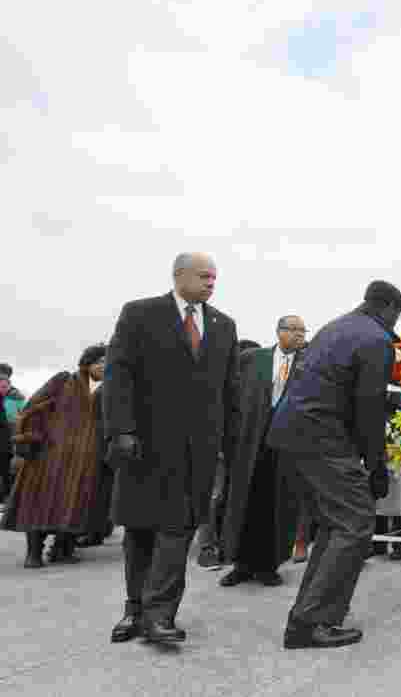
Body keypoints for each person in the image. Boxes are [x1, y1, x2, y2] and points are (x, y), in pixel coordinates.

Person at [104, 252, 240, 645]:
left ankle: (160, 614)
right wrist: (121, 429)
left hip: (197, 451)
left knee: (177, 531)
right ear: (179, 275)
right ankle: (135, 609)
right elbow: (118, 374)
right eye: (204, 276)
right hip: (143, 446)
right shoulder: (140, 314)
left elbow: (229, 390)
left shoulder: (223, 325)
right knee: (141, 531)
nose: (212, 283)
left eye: (215, 277)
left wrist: (228, 443)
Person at [266, 280, 401, 650]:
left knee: (335, 525)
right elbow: (368, 408)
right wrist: (376, 467)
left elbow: (333, 385)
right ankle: (309, 623)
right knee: (355, 524)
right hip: (322, 438)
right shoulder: (376, 339)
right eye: (397, 316)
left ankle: (315, 615)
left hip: (292, 434)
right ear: (388, 307)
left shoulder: (335, 326)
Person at [218, 317, 307, 589]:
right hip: (250, 441)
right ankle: (240, 564)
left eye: (302, 330)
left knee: (278, 503)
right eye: (293, 329)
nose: (299, 335)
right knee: (244, 501)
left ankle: (269, 565)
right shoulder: (252, 359)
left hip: (285, 445)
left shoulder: (309, 364)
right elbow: (230, 396)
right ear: (279, 331)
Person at [2, 345, 108, 568]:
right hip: (49, 455)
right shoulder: (64, 381)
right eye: (100, 361)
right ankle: (34, 554)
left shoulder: (102, 391)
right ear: (87, 362)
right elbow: (32, 407)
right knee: (39, 502)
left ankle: (62, 549)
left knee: (74, 503)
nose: (104, 366)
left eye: (107, 362)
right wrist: (31, 437)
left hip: (82, 461)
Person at [196, 338, 262, 570]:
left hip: (242, 452)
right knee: (213, 499)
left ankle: (231, 546)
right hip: (217, 451)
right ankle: (206, 549)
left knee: (232, 499)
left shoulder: (257, 388)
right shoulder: (218, 385)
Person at [1, 364, 27, 503]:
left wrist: (19, 420)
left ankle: (9, 498)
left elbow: (23, 415)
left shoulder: (16, 396)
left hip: (12, 435)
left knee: (10, 468)